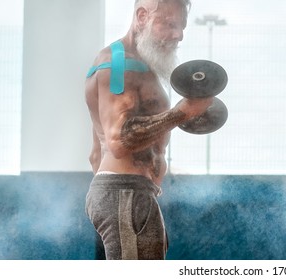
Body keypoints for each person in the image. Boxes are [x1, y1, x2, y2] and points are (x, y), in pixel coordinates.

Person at [84, 0, 212, 260]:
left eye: (182, 27)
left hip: (128, 194)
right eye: (170, 24)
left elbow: (96, 154)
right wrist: (183, 112)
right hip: (125, 192)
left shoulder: (138, 66)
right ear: (142, 16)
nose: (179, 35)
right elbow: (118, 139)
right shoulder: (119, 65)